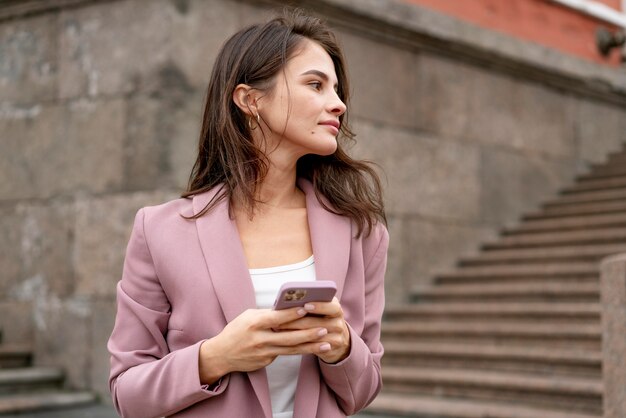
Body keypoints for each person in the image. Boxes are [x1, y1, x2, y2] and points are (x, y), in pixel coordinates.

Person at [108, 8, 389, 418]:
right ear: (250, 99)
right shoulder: (160, 230)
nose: (339, 103)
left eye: (337, 89)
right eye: (316, 84)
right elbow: (126, 393)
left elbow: (363, 390)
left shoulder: (362, 232)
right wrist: (216, 356)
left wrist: (342, 345)